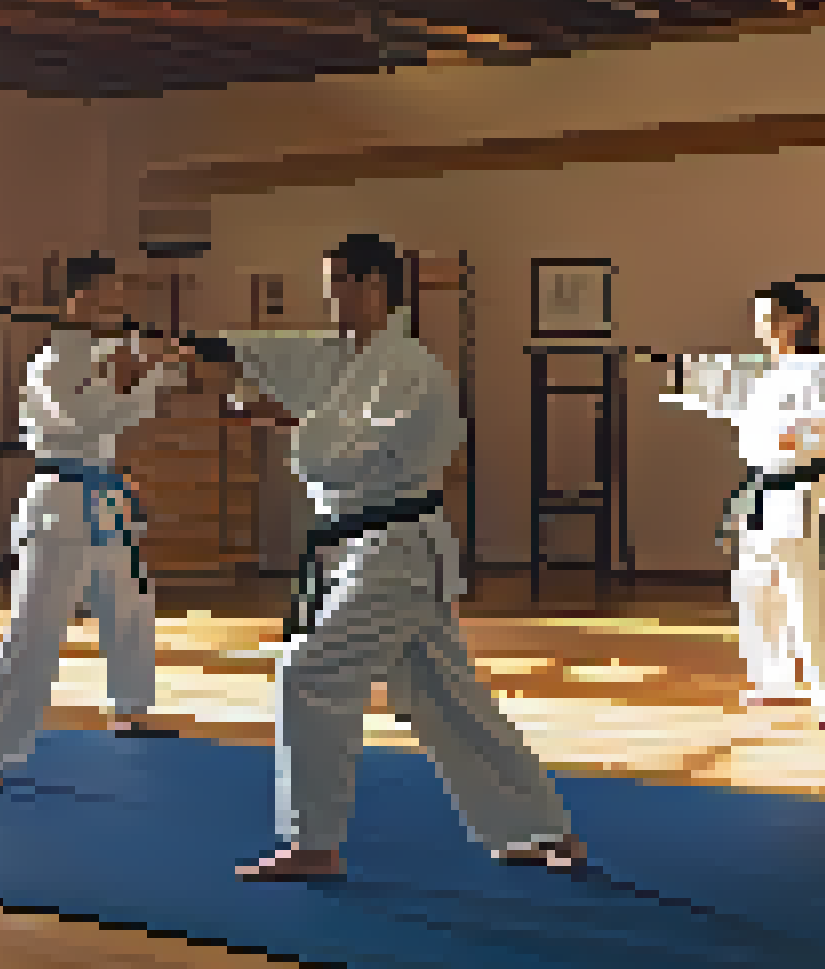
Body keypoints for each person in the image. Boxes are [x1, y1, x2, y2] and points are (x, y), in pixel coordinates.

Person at [179, 234, 583, 879]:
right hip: (371, 547)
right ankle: (544, 829)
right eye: (329, 283)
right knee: (447, 697)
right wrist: (201, 347)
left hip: (393, 550)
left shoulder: (408, 367)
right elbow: (267, 353)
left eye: (340, 283)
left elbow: (351, 450)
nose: (330, 297)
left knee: (309, 674)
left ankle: (313, 845)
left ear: (375, 288)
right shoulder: (344, 355)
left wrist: (274, 421)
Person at [0, 255, 183, 788]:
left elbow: (128, 415)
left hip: (105, 496)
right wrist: (122, 381)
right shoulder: (50, 363)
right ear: (74, 300)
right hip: (59, 501)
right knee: (35, 632)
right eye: (105, 294)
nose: (117, 304)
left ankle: (132, 707)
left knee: (132, 605)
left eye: (119, 294)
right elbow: (80, 420)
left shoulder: (107, 354)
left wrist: (151, 374)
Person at [662, 282, 825, 732]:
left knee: (813, 598)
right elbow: (730, 402)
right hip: (765, 492)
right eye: (758, 319)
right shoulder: (769, 371)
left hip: (806, 493)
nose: (759, 328)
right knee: (756, 589)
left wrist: (790, 435)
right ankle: (774, 680)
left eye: (767, 318)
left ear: (795, 320)